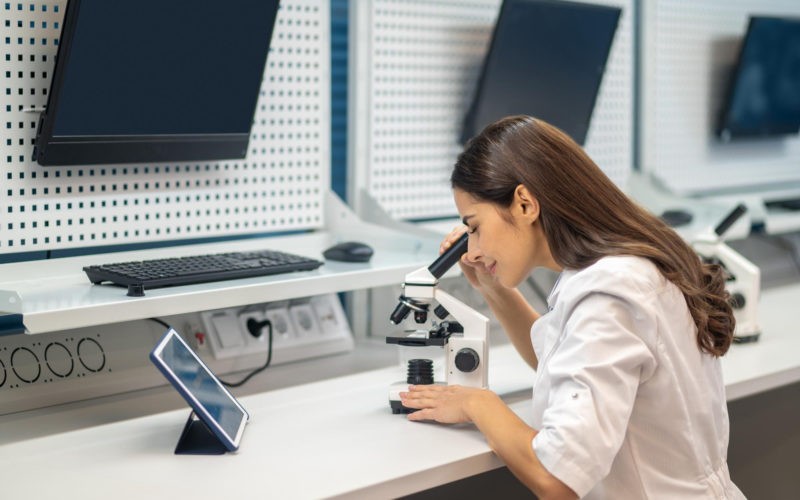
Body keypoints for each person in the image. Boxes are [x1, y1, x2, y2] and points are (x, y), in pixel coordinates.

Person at [399, 115, 745, 499]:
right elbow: (563, 361)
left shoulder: (607, 293)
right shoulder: (623, 266)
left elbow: (557, 477)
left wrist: (478, 405)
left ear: (525, 203)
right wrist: (493, 288)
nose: (473, 247)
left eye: (474, 226)